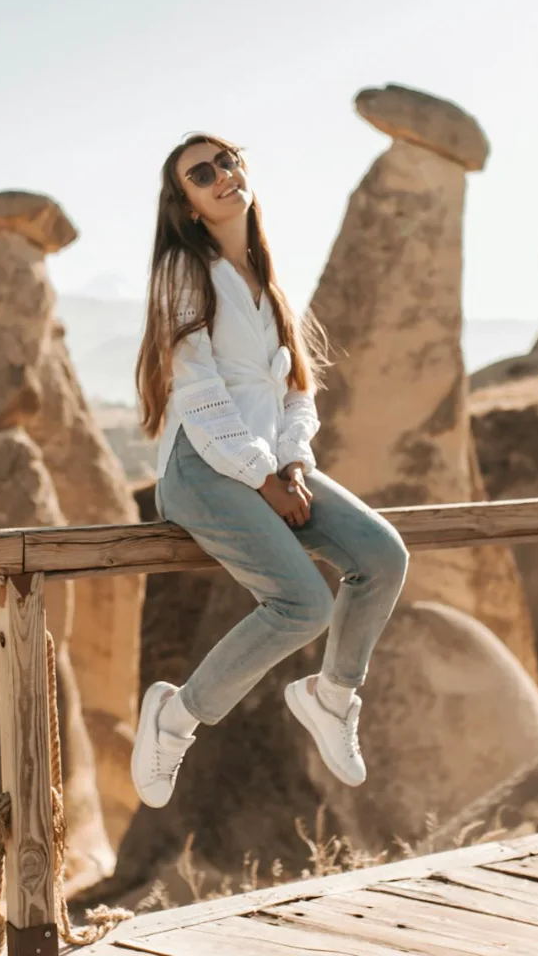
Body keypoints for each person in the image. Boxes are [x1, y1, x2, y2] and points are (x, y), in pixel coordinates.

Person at [130, 132, 410, 810]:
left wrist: (292, 464)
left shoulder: (268, 282)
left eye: (228, 161)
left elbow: (295, 394)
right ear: (189, 205)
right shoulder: (183, 272)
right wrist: (264, 479)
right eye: (203, 173)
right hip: (201, 468)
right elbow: (199, 397)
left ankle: (331, 696)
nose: (222, 174)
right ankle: (176, 716)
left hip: (270, 470)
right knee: (302, 605)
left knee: (382, 554)